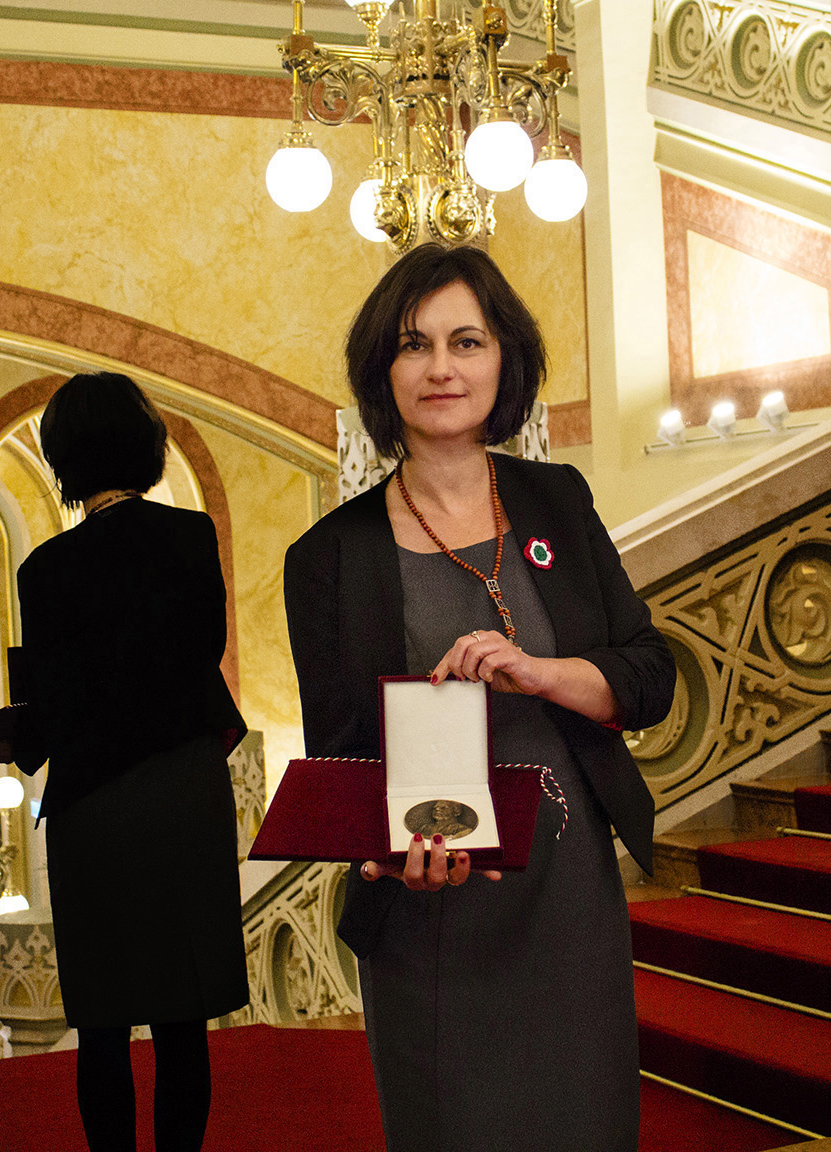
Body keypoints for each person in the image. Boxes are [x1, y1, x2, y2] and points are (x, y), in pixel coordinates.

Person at [283, 244, 675, 1151]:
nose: (442, 368)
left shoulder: (558, 500)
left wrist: (541, 671)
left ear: (505, 360)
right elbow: (341, 761)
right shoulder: (329, 557)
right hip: (432, 914)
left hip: (570, 895)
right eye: (413, 345)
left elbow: (648, 677)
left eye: (467, 341)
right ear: (383, 370)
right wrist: (388, 859)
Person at [0, 372, 248, 1152]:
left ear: (62, 459)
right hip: (184, 791)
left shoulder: (43, 570)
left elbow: (57, 702)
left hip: (94, 808)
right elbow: (203, 654)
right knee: (182, 1022)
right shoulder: (191, 536)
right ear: (146, 445)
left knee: (101, 1026)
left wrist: (14, 740)